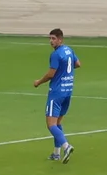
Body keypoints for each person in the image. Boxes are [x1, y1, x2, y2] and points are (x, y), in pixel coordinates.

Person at [34, 28, 80, 163]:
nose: (51, 41)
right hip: (68, 91)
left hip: (56, 92)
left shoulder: (56, 54)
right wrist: (65, 72)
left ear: (60, 39)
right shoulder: (69, 50)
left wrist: (38, 82)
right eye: (50, 38)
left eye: (53, 38)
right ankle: (56, 153)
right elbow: (77, 64)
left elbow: (51, 74)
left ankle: (66, 146)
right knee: (58, 123)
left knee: (51, 125)